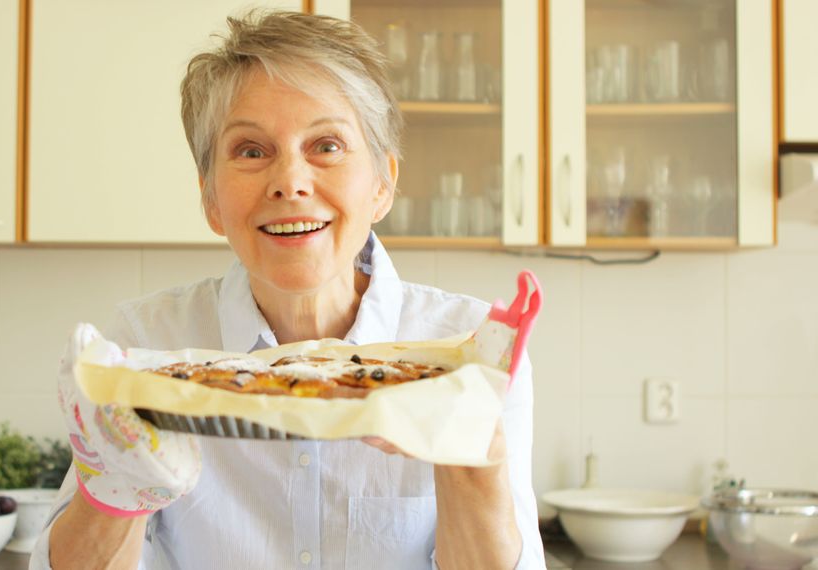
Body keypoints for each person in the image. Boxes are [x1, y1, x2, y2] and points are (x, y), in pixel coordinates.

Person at [34, 10, 543, 569]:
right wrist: (116, 492)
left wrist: (476, 464)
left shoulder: (469, 351)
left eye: (326, 145)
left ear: (382, 184)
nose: (290, 182)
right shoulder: (145, 345)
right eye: (251, 151)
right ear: (210, 200)